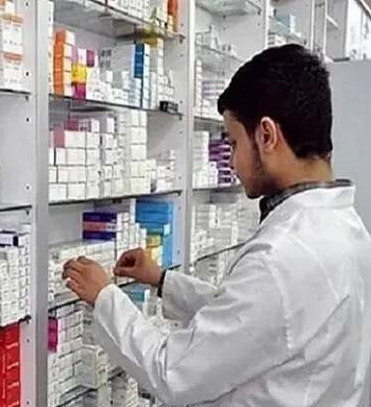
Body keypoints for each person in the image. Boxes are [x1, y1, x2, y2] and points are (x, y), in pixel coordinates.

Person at [63, 44, 371, 406]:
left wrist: (104, 297)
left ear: (267, 136)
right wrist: (162, 280)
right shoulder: (346, 228)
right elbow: (253, 322)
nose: (233, 162)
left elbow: (171, 372)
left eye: (234, 143)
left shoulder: (283, 256)